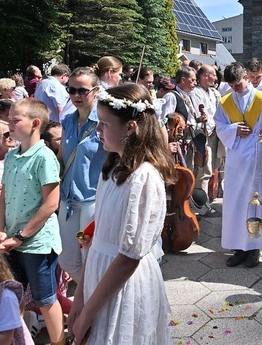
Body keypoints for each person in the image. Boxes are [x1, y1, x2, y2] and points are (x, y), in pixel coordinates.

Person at [67, 83, 176, 344]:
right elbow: (97, 241)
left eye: (104, 123)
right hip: (99, 275)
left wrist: (87, 314)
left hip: (122, 284)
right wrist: (79, 301)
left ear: (130, 127)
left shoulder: (144, 178)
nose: (98, 130)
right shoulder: (113, 167)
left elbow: (129, 257)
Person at [0, 98, 64, 345]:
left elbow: (51, 204)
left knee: (45, 299)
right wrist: (0, 231)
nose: (8, 124)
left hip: (36, 244)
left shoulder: (44, 157)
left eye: (15, 120)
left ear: (35, 123)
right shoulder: (12, 156)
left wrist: (21, 236)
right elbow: (3, 196)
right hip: (12, 241)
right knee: (11, 298)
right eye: (9, 119)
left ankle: (59, 341)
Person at [214, 63, 262, 268]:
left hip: (254, 153)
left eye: (237, 84)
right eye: (231, 86)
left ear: (245, 76)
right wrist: (234, 129)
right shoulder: (225, 101)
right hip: (235, 155)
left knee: (254, 200)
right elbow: (220, 125)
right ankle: (237, 247)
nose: (235, 89)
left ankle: (253, 249)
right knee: (234, 202)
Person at [58, 67, 106, 286]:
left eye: (82, 91)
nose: (76, 95)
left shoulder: (104, 122)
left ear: (95, 91)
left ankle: (90, 304)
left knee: (89, 258)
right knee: (67, 259)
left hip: (92, 200)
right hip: (68, 199)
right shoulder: (67, 120)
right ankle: (89, 296)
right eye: (71, 90)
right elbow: (62, 156)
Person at [191, 65, 222, 205]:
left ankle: (210, 198)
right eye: (213, 74)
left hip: (216, 133)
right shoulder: (195, 93)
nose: (215, 78)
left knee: (216, 166)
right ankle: (202, 205)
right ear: (204, 76)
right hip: (205, 134)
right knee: (204, 170)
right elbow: (200, 115)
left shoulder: (215, 92)